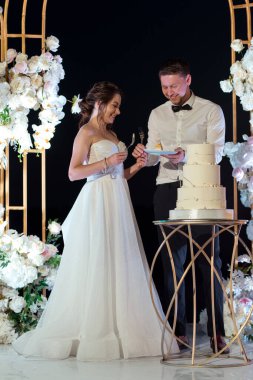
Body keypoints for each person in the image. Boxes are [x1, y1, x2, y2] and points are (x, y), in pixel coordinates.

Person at [12, 81, 179, 361]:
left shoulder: (111, 133)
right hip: (97, 202)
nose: (118, 111)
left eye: (118, 106)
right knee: (97, 259)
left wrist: (135, 166)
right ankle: (93, 329)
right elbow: (74, 173)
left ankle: (122, 326)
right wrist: (108, 161)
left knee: (119, 260)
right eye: (114, 105)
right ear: (100, 104)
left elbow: (118, 176)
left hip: (117, 201)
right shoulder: (86, 132)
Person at [132, 59, 229, 354]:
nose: (169, 92)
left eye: (173, 85)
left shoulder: (211, 110)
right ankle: (177, 332)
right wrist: (143, 154)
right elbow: (154, 156)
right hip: (166, 189)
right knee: (171, 263)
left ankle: (216, 333)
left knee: (208, 261)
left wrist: (186, 154)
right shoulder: (156, 113)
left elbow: (218, 152)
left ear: (188, 80)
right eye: (164, 87)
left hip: (199, 189)